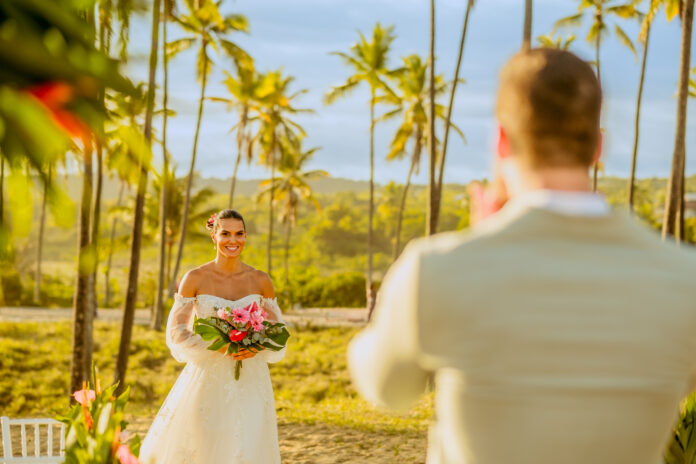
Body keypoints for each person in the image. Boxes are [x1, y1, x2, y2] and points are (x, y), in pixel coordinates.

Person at [347, 48, 696, 464]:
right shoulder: (684, 277)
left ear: (501, 139)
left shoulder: (436, 268)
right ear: (598, 146)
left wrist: (479, 243)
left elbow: (386, 389)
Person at [139, 209, 286, 464]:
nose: (233, 240)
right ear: (214, 237)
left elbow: (277, 330)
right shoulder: (195, 278)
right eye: (225, 233)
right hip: (208, 377)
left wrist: (255, 348)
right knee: (207, 448)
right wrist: (218, 344)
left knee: (249, 444)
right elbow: (177, 331)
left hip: (251, 377)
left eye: (239, 233)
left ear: (246, 236)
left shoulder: (261, 280)